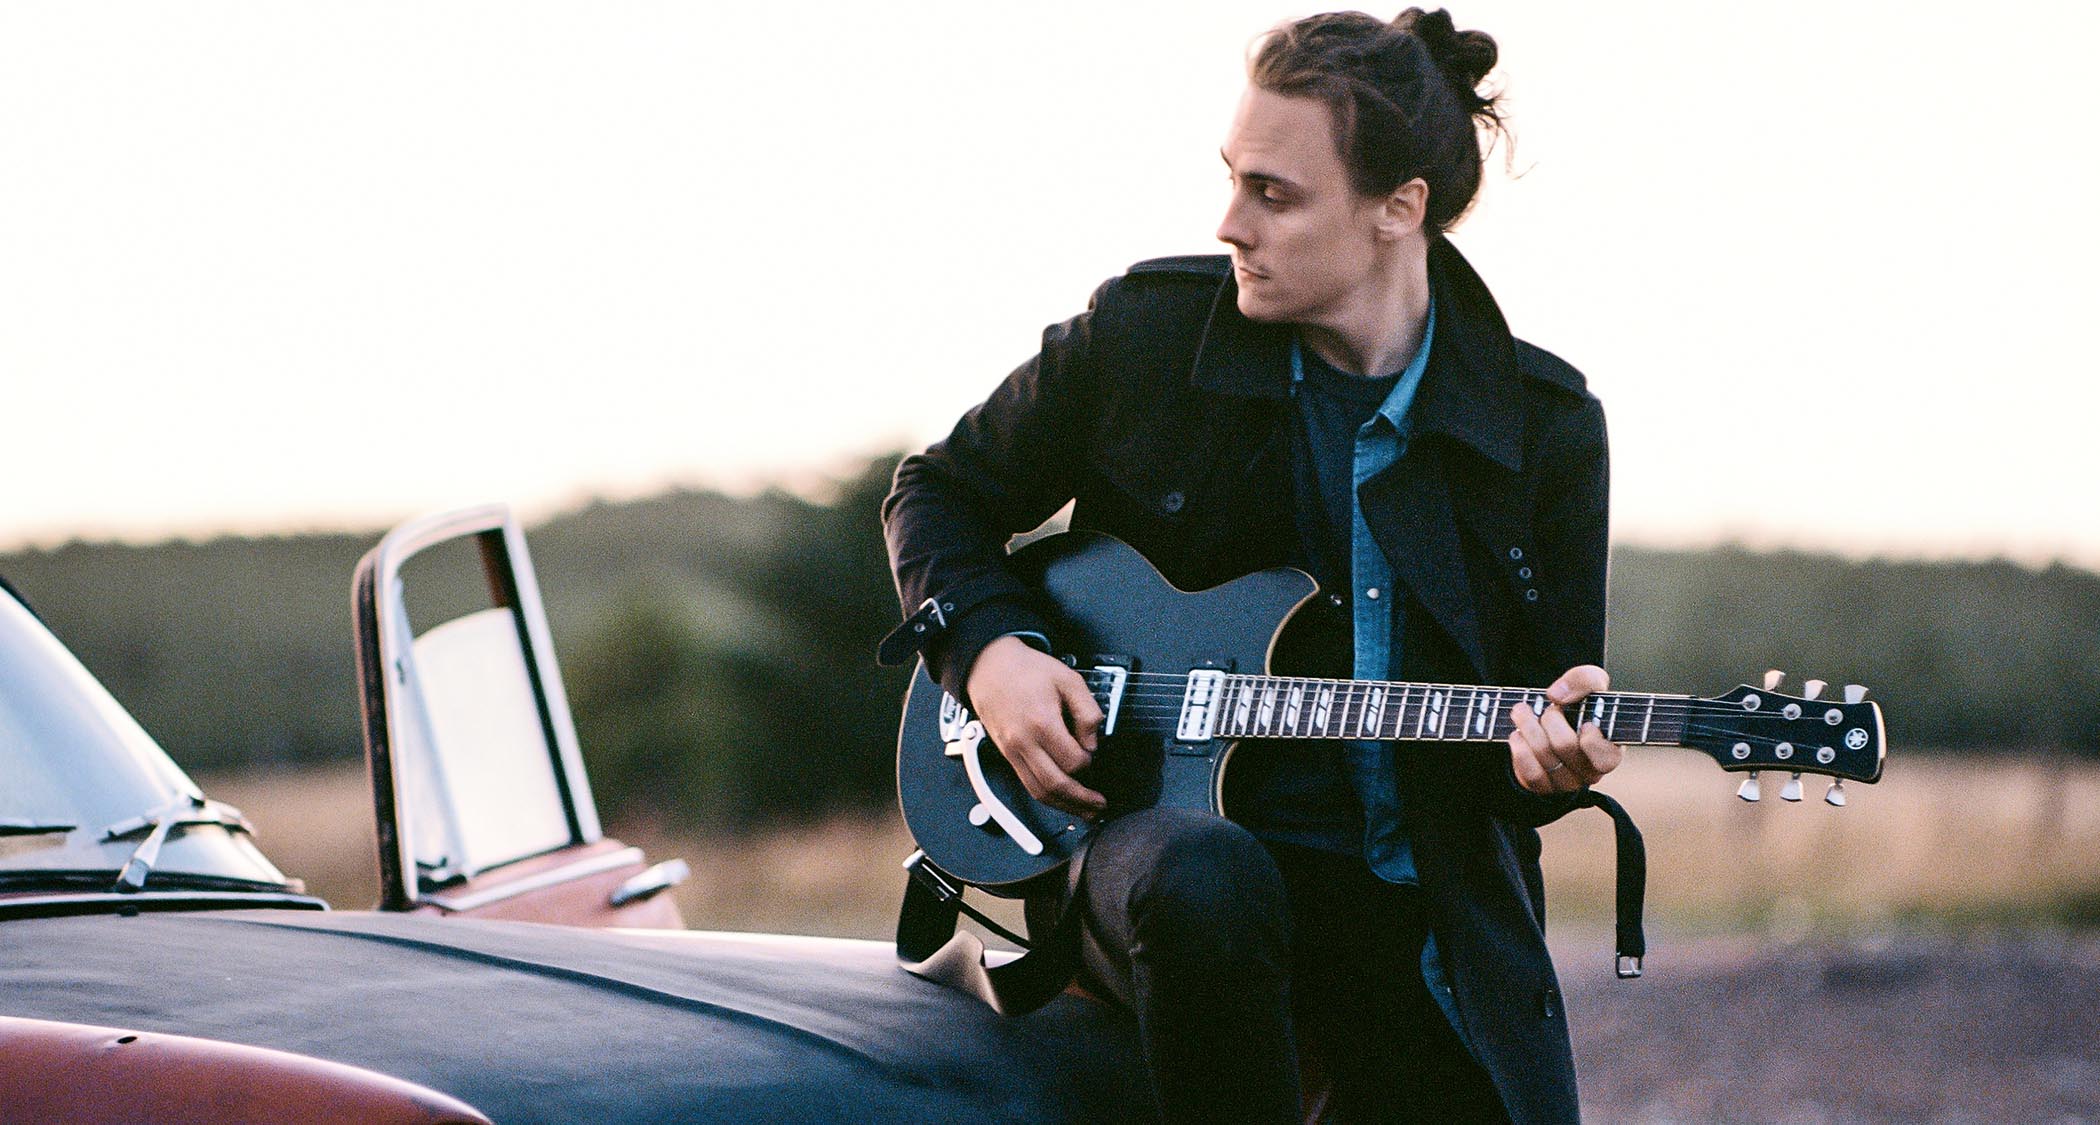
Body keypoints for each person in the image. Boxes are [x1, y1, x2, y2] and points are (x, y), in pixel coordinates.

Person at [882, 9, 1621, 1122]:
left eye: (1274, 195)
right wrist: (991, 654)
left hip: (1403, 897)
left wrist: (1544, 769)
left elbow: (1539, 713)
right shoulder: (1148, 337)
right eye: (1233, 179)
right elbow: (935, 491)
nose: (1230, 223)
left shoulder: (1543, 429)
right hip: (1140, 850)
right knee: (1211, 878)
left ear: (1397, 208)